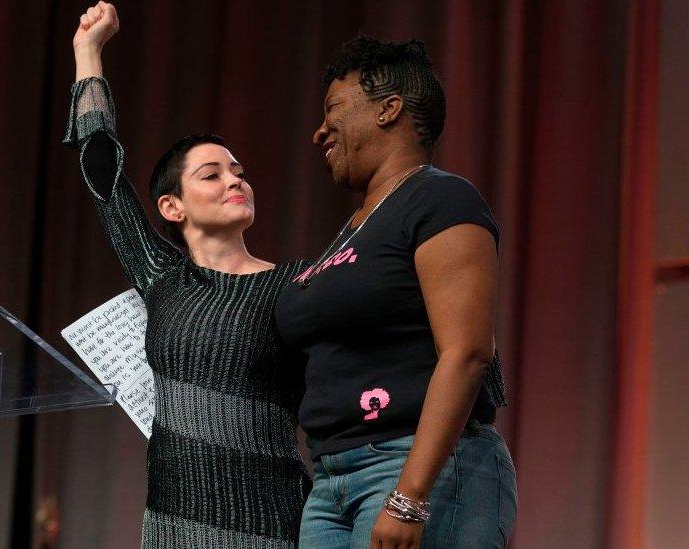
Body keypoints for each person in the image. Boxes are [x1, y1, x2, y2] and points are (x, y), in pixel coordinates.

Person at [64, 3, 310, 548]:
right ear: (172, 207)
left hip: (273, 522)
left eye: (239, 173)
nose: (235, 181)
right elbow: (101, 170)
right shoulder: (162, 276)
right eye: (213, 174)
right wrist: (88, 52)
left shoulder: (295, 283)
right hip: (174, 521)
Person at [275, 35, 518, 548]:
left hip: (415, 468)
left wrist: (410, 496)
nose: (320, 131)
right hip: (332, 482)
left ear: (389, 110)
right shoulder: (354, 229)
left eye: (334, 109)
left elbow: (468, 352)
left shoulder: (441, 200)